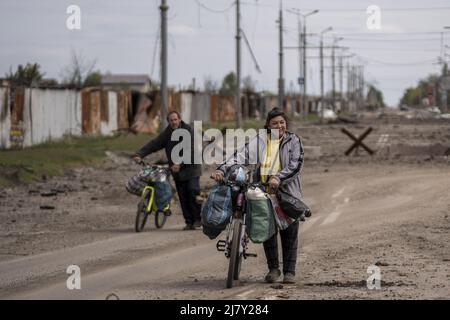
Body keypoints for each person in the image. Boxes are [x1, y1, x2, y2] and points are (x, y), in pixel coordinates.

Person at [211, 107, 305, 284]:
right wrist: (222, 169)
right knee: (266, 228)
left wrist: (279, 177)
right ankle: (273, 269)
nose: (279, 126)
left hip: (288, 192)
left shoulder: (293, 140)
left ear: (286, 124)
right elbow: (240, 156)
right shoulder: (260, 141)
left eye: (282, 122)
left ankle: (289, 272)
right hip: (263, 191)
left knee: (289, 231)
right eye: (275, 123)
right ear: (268, 126)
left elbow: (296, 164)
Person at [133, 111, 202, 231]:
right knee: (182, 195)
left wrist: (180, 163)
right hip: (177, 169)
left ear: (180, 119)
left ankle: (198, 219)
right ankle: (189, 222)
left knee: (192, 192)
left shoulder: (188, 130)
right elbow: (155, 144)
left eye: (175, 119)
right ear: (168, 121)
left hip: (191, 167)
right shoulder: (168, 133)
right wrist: (140, 154)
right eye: (171, 120)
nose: (173, 122)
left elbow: (190, 149)